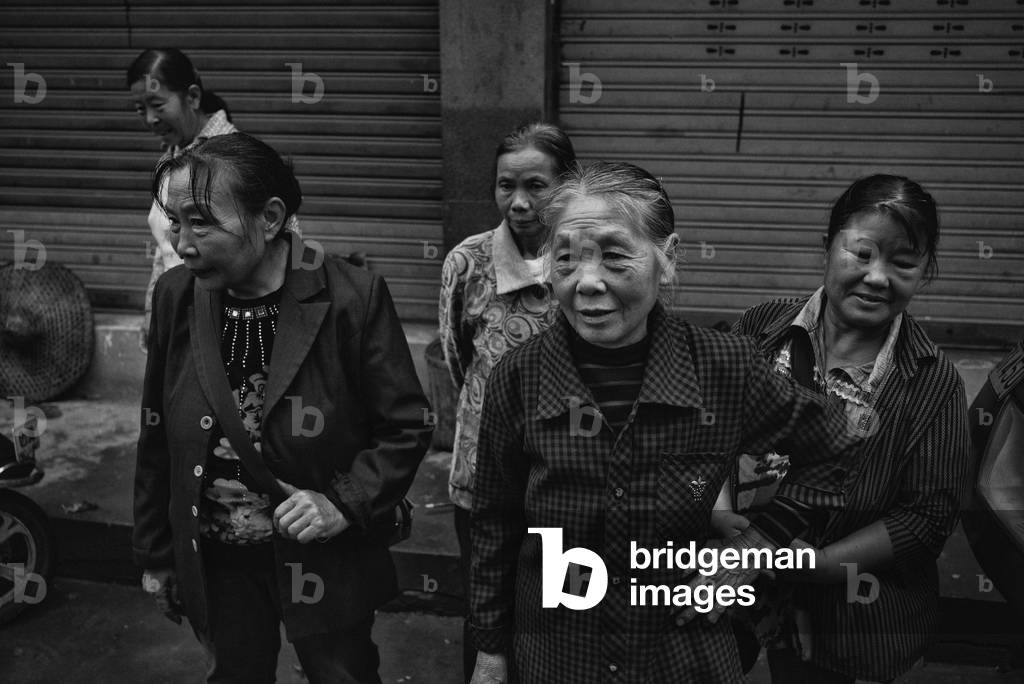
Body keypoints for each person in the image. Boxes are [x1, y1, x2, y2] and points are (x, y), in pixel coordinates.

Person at [468, 161, 863, 683]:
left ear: (668, 258)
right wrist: (491, 652)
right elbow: (495, 524)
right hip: (560, 654)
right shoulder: (520, 377)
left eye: (614, 256)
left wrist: (757, 546)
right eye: (565, 259)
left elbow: (836, 444)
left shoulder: (725, 368)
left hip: (681, 653)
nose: (587, 283)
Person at [132, 132, 431, 684]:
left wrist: (342, 503)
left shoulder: (352, 297)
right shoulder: (176, 295)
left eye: (201, 223)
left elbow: (406, 426)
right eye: (174, 222)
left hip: (324, 559)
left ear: (270, 218)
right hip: (217, 560)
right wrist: (156, 555)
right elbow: (156, 435)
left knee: (342, 672)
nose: (183, 244)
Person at [715, 174, 972, 683]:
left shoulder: (932, 380)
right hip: (728, 577)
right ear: (828, 247)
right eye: (862, 253)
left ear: (924, 272)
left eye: (903, 263)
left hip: (839, 609)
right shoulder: (761, 328)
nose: (878, 277)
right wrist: (718, 512)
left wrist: (823, 564)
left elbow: (927, 516)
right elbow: (704, 430)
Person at [438, 122, 575, 682]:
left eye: (535, 186)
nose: (518, 202)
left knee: (560, 612)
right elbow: (458, 361)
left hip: (566, 480)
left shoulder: (587, 260)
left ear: (566, 186)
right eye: (505, 185)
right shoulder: (466, 263)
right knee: (487, 617)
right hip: (482, 479)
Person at [126, 49, 300, 347]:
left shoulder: (238, 161)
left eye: (157, 105)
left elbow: (289, 240)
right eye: (140, 109)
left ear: (193, 97)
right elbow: (164, 250)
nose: (150, 119)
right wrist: (154, 311)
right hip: (182, 314)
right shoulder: (172, 160)